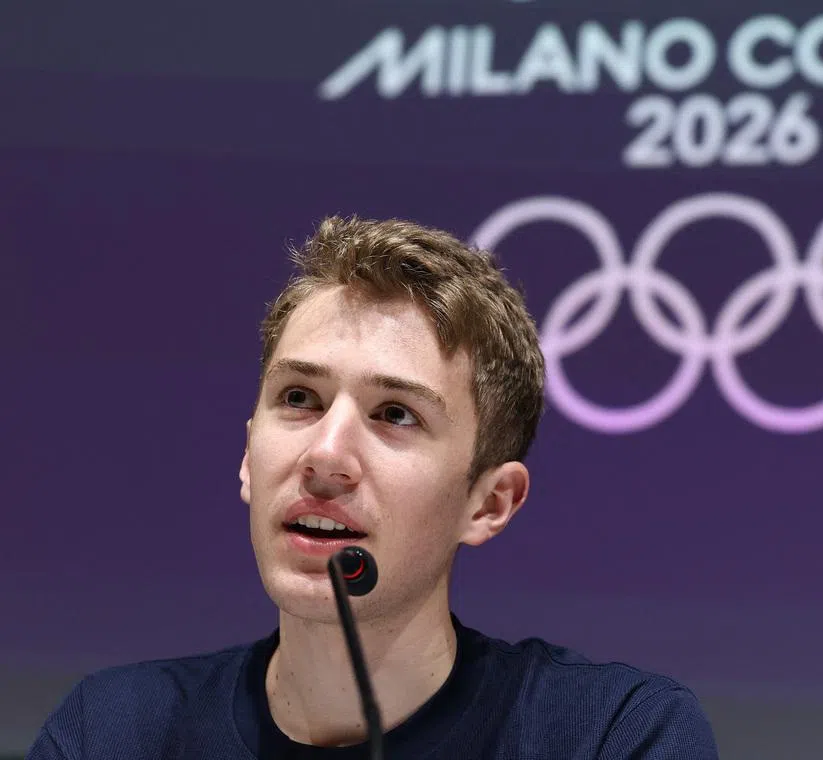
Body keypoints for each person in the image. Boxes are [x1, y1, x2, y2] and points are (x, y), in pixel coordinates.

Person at [27, 216, 720, 759]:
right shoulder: (116, 733)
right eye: (299, 398)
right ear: (246, 454)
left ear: (490, 502)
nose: (326, 456)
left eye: (395, 414)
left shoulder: (612, 737)